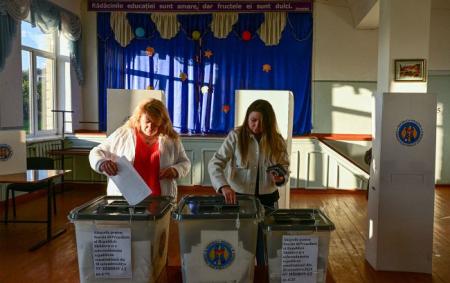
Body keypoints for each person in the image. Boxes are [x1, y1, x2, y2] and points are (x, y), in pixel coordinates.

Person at [208, 99, 289, 266]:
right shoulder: (236, 136)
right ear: (247, 119)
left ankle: (262, 274)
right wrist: (224, 186)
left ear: (270, 121)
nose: (257, 125)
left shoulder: (278, 140)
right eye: (253, 120)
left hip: (268, 201)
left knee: (266, 246)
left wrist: (281, 178)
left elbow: (284, 168)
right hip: (239, 199)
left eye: (262, 121)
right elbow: (215, 163)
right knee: (239, 245)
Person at [89, 98, 191, 198]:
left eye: (155, 123)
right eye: (147, 121)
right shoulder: (123, 134)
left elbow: (185, 163)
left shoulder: (171, 139)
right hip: (125, 198)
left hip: (161, 199)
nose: (150, 126)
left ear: (162, 122)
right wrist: (102, 163)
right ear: (139, 118)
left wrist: (175, 170)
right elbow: (96, 152)